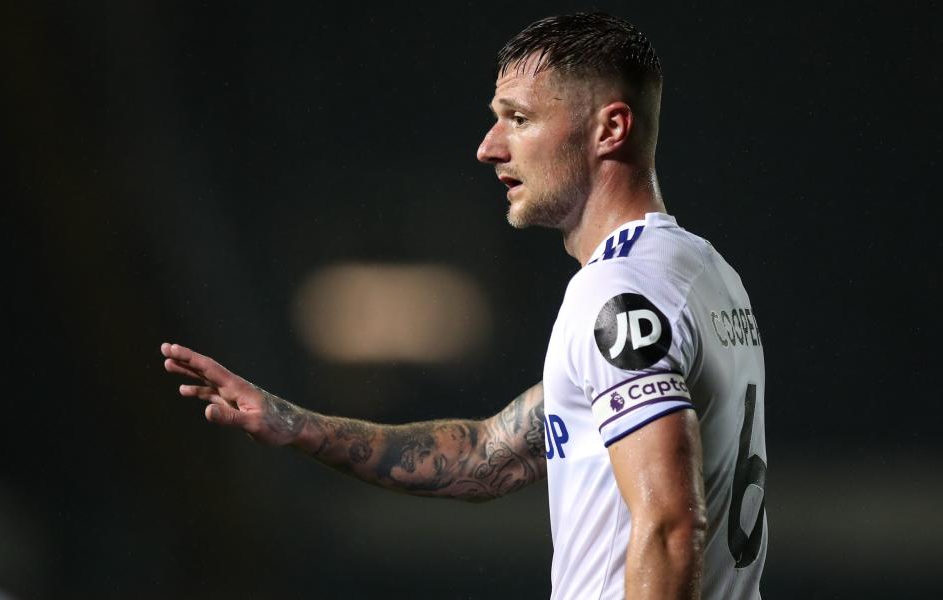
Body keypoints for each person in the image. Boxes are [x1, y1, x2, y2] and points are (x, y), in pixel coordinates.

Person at [161, 12, 767, 600]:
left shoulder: (617, 293)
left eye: (519, 119)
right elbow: (489, 455)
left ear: (610, 129)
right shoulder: (705, 275)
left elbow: (669, 525)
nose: (489, 147)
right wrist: (293, 424)